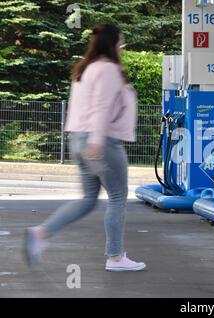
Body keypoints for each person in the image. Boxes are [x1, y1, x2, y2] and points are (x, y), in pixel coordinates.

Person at [24, 24, 145, 272]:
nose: (122, 49)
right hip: (101, 142)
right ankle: (115, 257)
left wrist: (88, 142)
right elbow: (101, 107)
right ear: (112, 45)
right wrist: (97, 142)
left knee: (89, 199)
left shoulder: (85, 68)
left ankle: (41, 233)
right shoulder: (109, 69)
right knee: (119, 197)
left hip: (79, 139)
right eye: (121, 44)